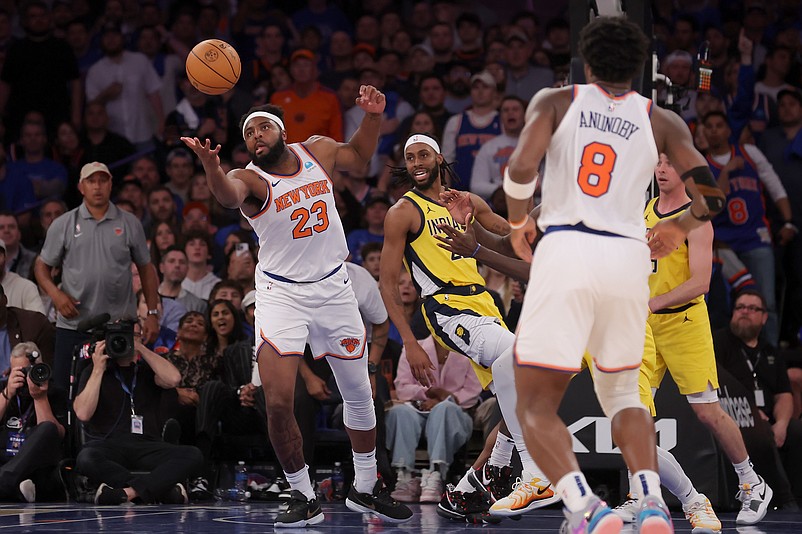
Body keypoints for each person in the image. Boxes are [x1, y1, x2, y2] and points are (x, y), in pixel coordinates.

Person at [503, 16, 726, 533]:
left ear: (585, 60)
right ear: (637, 67)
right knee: (625, 394)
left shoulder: (555, 101)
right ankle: (650, 500)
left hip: (568, 247)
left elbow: (519, 170)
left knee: (535, 403)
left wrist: (518, 223)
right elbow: (711, 196)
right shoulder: (662, 120)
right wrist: (677, 229)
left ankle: (586, 508)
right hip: (628, 261)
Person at [181, 85, 412, 527]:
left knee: (360, 395)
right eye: (248, 133)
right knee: (280, 401)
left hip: (333, 287)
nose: (256, 136)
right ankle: (302, 493)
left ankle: (365, 488)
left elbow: (360, 155)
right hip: (282, 293)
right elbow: (227, 195)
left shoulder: (317, 152)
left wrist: (374, 117)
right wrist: (212, 166)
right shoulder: (250, 179)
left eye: (264, 126)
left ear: (282, 131)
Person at [379, 131, 558, 523]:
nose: (416, 162)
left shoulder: (467, 202)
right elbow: (387, 283)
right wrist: (409, 340)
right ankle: (533, 471)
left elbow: (513, 243)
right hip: (445, 306)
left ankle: (474, 484)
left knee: (520, 386)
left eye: (423, 154)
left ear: (440, 158)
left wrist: (549, 204)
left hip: (483, 304)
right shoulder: (404, 212)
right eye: (409, 158)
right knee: (518, 358)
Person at [34, 162, 161, 391]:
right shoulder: (63, 224)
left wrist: (152, 313)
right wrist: (56, 295)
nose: (98, 186)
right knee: (66, 392)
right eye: (91, 181)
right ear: (81, 187)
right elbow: (41, 266)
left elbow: (146, 268)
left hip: (118, 325)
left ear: (111, 184)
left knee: (117, 392)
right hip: (73, 326)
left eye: (103, 180)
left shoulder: (130, 222)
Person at [73, 332, 202, 505]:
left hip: (147, 445)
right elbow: (83, 413)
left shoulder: (148, 370)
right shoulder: (93, 371)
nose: (124, 340)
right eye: (118, 336)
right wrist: (98, 369)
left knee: (193, 454)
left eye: (132, 335)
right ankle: (160, 492)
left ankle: (126, 493)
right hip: (109, 444)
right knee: (86, 457)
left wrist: (139, 347)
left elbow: (174, 379)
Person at [714, 289, 802, 506]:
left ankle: (797, 502)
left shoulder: (770, 352)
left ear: (764, 317)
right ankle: (783, 498)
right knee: (761, 431)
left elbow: (783, 395)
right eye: (740, 307)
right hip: (736, 416)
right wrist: (751, 412)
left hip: (768, 418)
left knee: (796, 431)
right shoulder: (719, 343)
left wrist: (781, 424)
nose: (745, 312)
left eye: (753, 308)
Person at [387, 335, 482, 503]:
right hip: (419, 408)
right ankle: (405, 477)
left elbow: (472, 393)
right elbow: (402, 387)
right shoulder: (414, 348)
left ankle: (436, 474)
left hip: (457, 413)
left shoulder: (470, 350)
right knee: (399, 412)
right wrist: (427, 394)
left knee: (444, 409)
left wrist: (442, 400)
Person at [0, 342, 67, 502]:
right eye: (21, 372)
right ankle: (16, 488)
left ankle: (6, 482)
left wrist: (40, 398)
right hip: (4, 459)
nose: (26, 376)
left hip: (34, 465)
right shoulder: (4, 388)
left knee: (48, 428)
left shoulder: (55, 392)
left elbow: (58, 435)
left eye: (30, 371)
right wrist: (7, 393)